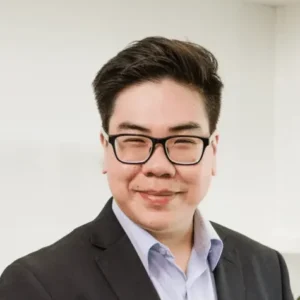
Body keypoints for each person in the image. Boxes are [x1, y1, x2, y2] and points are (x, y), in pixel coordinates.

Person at [0, 36, 294, 300]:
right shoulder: (38, 284)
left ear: (212, 151)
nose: (158, 166)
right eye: (135, 140)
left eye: (182, 141)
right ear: (106, 149)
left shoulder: (266, 267)